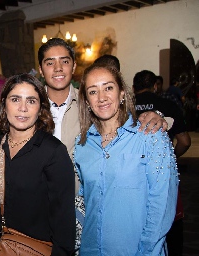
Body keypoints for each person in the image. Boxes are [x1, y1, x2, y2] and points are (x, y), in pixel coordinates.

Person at [37, 38, 168, 252]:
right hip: (42, 207)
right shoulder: (30, 106)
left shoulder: (88, 107)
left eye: (64, 61)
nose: (58, 68)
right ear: (41, 69)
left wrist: (159, 117)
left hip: (85, 213)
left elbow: (135, 124)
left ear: (74, 66)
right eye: (50, 62)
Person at [74, 63, 178, 255]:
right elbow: (86, 201)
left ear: (122, 93)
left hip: (137, 250)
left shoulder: (151, 136)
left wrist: (147, 251)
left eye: (108, 88)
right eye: (93, 91)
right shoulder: (82, 146)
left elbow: (162, 206)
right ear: (86, 101)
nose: (102, 97)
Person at [0, 73, 75, 255]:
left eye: (31, 101)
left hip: (38, 250)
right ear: (4, 104)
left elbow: (64, 222)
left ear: (40, 108)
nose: (23, 108)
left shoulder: (53, 152)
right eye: (15, 99)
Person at [133, 70, 191, 256]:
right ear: (156, 85)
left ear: (133, 88)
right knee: (170, 225)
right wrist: (169, 159)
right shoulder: (168, 105)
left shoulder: (125, 107)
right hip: (163, 182)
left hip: (133, 182)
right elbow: (185, 141)